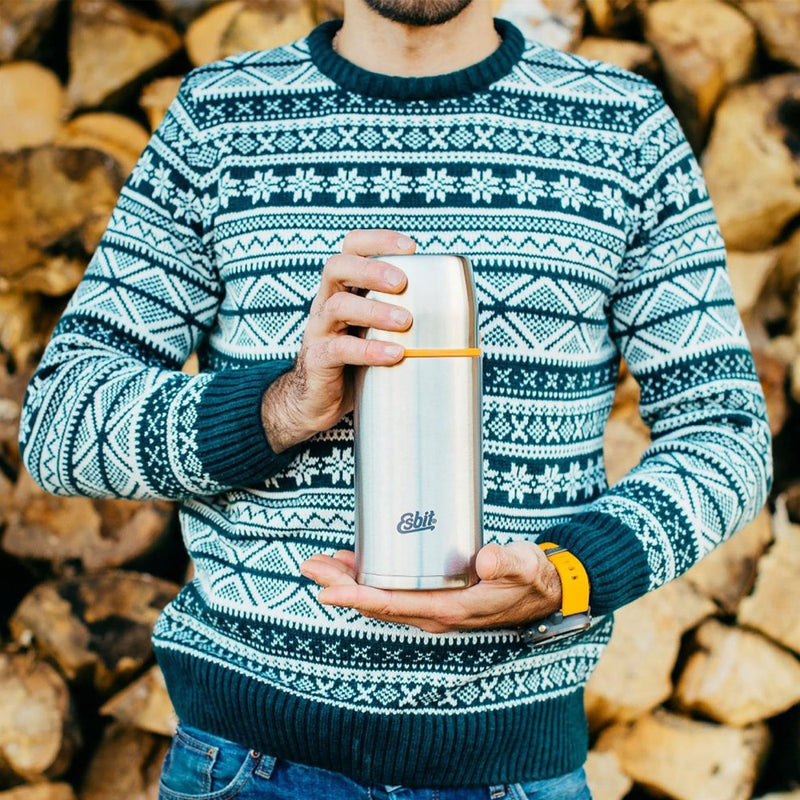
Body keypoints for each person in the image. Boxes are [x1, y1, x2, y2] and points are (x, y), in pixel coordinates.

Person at [19, 0, 772, 797]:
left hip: (512, 771)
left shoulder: (624, 128)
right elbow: (61, 419)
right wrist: (279, 406)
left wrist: (570, 575)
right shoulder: (220, 119)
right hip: (248, 766)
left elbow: (724, 432)